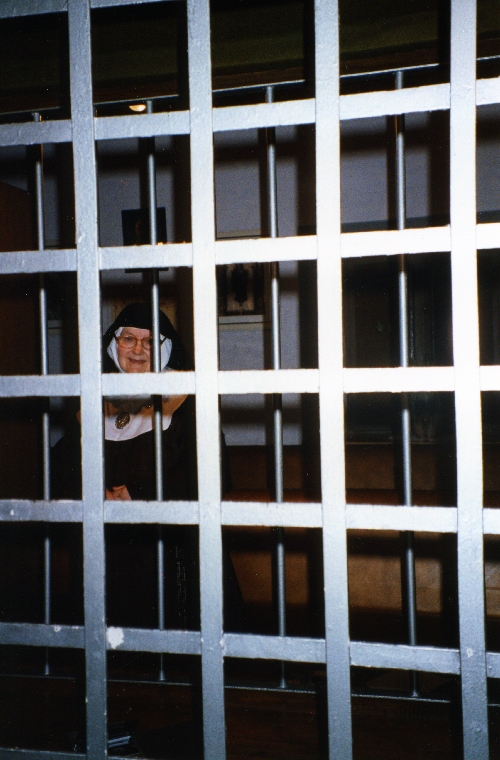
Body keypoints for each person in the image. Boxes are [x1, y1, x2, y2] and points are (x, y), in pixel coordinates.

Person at [51, 301, 244, 631]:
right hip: (107, 547)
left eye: (150, 341)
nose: (138, 349)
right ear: (115, 345)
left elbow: (212, 475)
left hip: (167, 546)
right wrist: (94, 491)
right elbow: (62, 465)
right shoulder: (95, 399)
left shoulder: (186, 399)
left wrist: (139, 494)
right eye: (129, 339)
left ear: (165, 348)